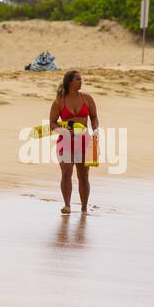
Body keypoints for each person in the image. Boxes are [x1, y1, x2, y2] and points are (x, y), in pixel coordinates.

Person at [48, 70, 98, 214]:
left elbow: (94, 117)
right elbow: (52, 122)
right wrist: (61, 131)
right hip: (66, 140)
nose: (81, 82)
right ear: (70, 82)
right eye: (78, 79)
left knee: (83, 175)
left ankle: (83, 208)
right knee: (66, 172)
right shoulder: (60, 101)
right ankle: (67, 205)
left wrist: (95, 130)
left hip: (85, 140)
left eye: (81, 79)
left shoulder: (87, 99)